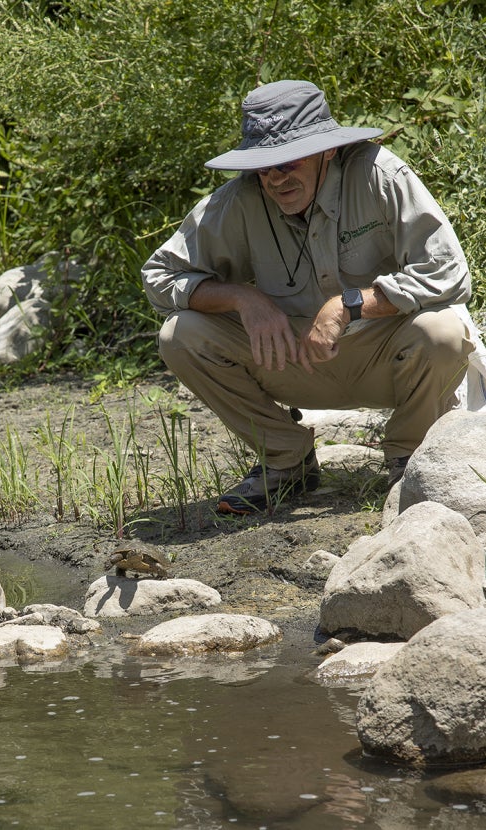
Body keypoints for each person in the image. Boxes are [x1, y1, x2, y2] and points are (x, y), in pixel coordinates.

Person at [141, 79, 474, 515]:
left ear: (327, 150)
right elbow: (159, 276)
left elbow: (449, 274)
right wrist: (244, 298)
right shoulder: (240, 200)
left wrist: (347, 305)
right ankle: (286, 461)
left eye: (288, 162)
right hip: (294, 359)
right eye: (264, 167)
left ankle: (408, 461)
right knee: (180, 335)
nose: (276, 178)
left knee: (444, 329)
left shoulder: (380, 174)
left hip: (384, 355)